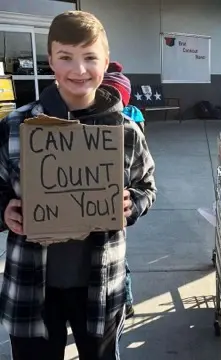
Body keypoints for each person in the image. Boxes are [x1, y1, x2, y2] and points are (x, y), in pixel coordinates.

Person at [0, 10, 156, 360]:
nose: (79, 70)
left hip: (100, 286)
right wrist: (4, 210)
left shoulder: (126, 133)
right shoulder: (15, 126)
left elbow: (147, 185)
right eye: (66, 57)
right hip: (32, 285)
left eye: (90, 58)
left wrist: (134, 203)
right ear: (51, 59)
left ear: (105, 62)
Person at [102, 61, 146, 320]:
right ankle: (126, 301)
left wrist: (134, 201)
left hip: (111, 214)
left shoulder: (129, 124)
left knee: (118, 264)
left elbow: (145, 180)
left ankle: (126, 301)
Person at [103, 61, 145, 133]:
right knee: (136, 113)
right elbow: (128, 96)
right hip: (121, 106)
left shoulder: (102, 78)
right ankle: (140, 134)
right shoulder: (125, 80)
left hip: (102, 107)